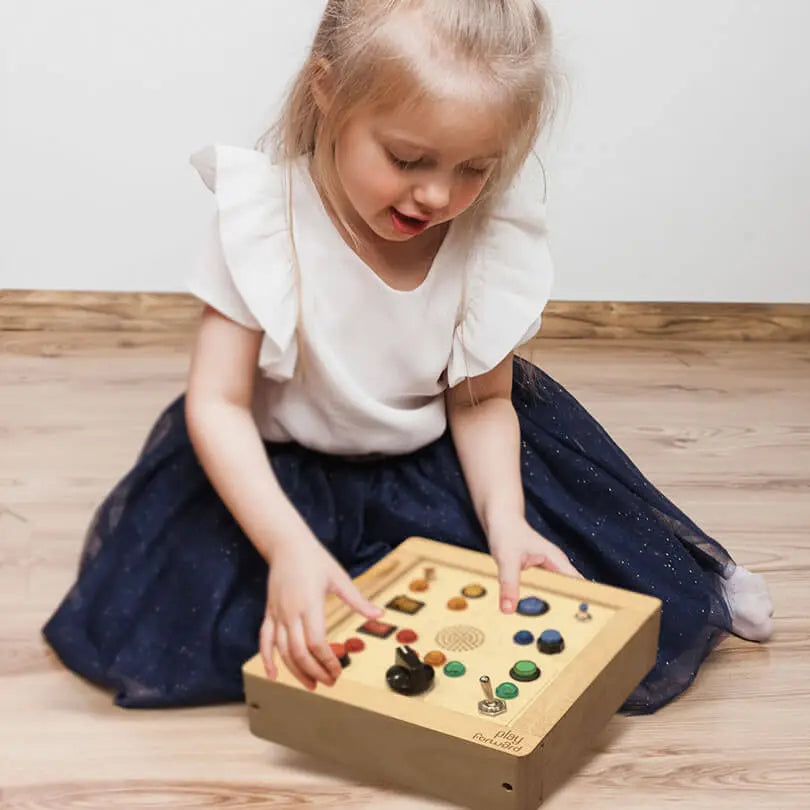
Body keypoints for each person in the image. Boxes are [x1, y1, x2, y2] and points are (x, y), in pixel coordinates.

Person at [42, 0, 773, 714]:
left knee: (574, 587)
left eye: (473, 169)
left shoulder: (487, 238)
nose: (437, 194)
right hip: (286, 474)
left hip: (434, 463)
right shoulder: (260, 220)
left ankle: (708, 577)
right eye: (407, 159)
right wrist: (287, 549)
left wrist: (507, 521)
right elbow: (217, 403)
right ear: (327, 91)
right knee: (248, 627)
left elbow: (483, 402)